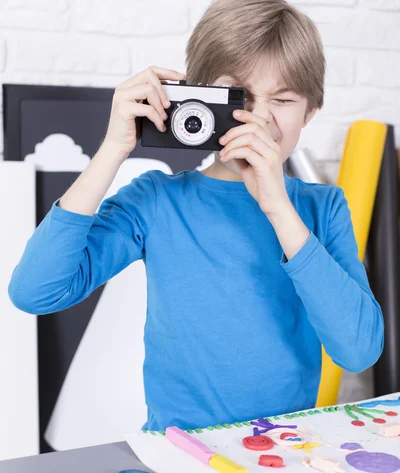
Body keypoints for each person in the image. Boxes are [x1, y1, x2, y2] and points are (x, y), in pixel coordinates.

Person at [8, 0, 384, 431]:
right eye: (238, 96)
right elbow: (35, 292)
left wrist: (278, 206)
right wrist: (113, 147)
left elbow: (358, 350)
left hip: (283, 453)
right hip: (178, 453)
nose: (257, 117)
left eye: (281, 99)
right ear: (199, 100)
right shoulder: (155, 201)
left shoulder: (322, 208)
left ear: (309, 113)